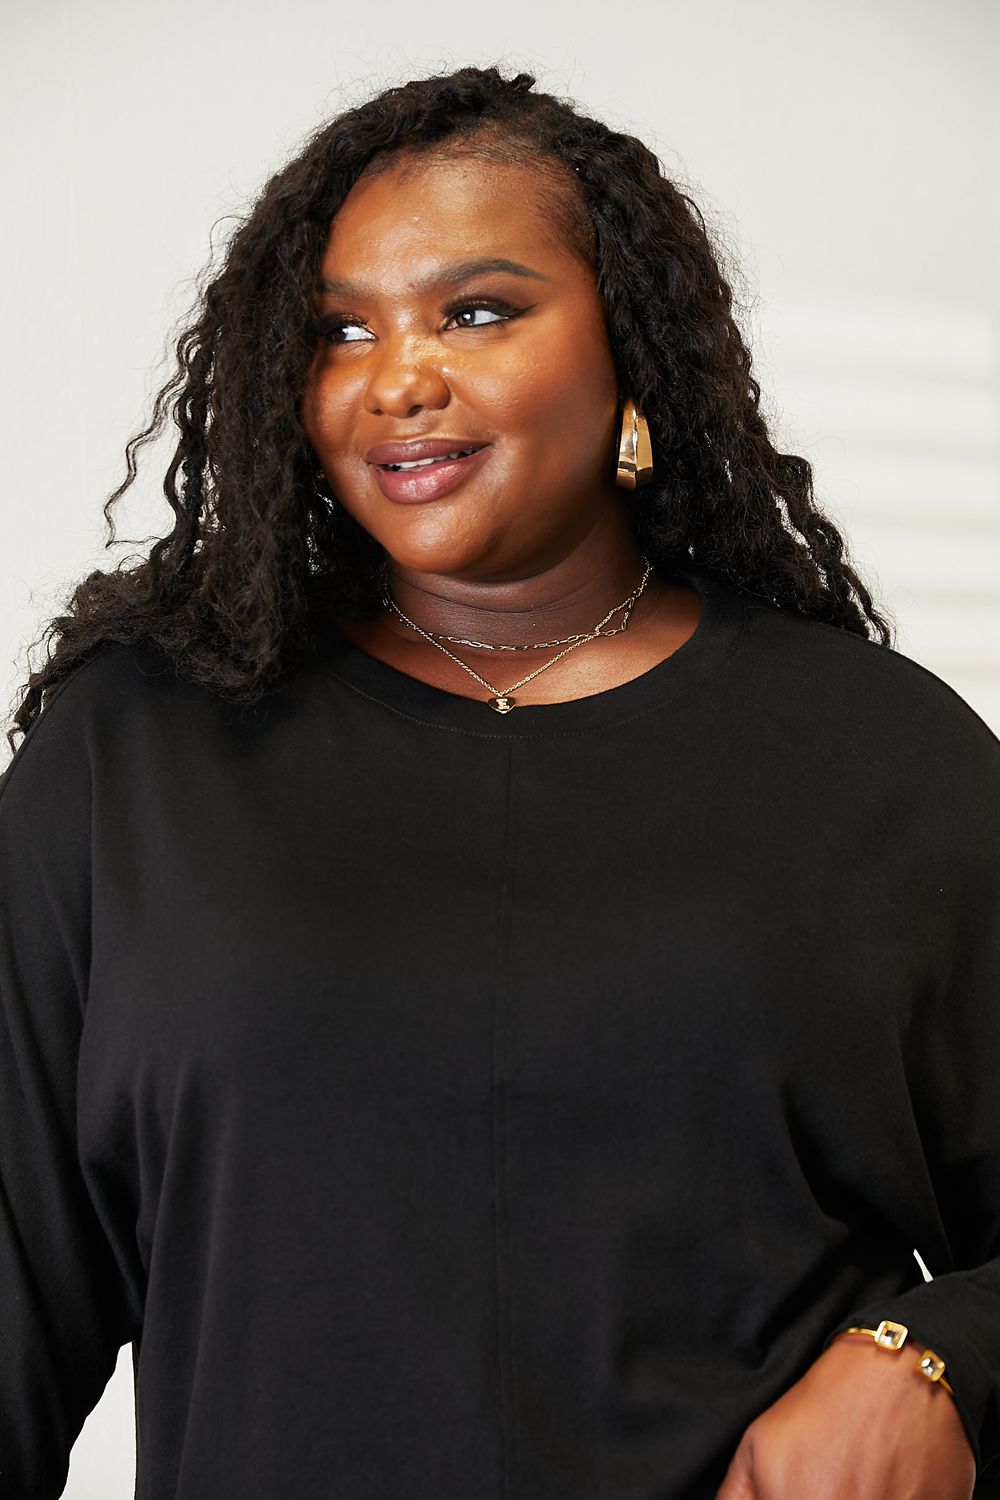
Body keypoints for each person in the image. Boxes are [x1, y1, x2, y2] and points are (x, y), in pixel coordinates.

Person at [1, 62, 996, 1500]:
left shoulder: (880, 759)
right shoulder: (137, 758)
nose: (397, 377)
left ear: (629, 347)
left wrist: (939, 1355)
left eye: (477, 310)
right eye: (342, 329)